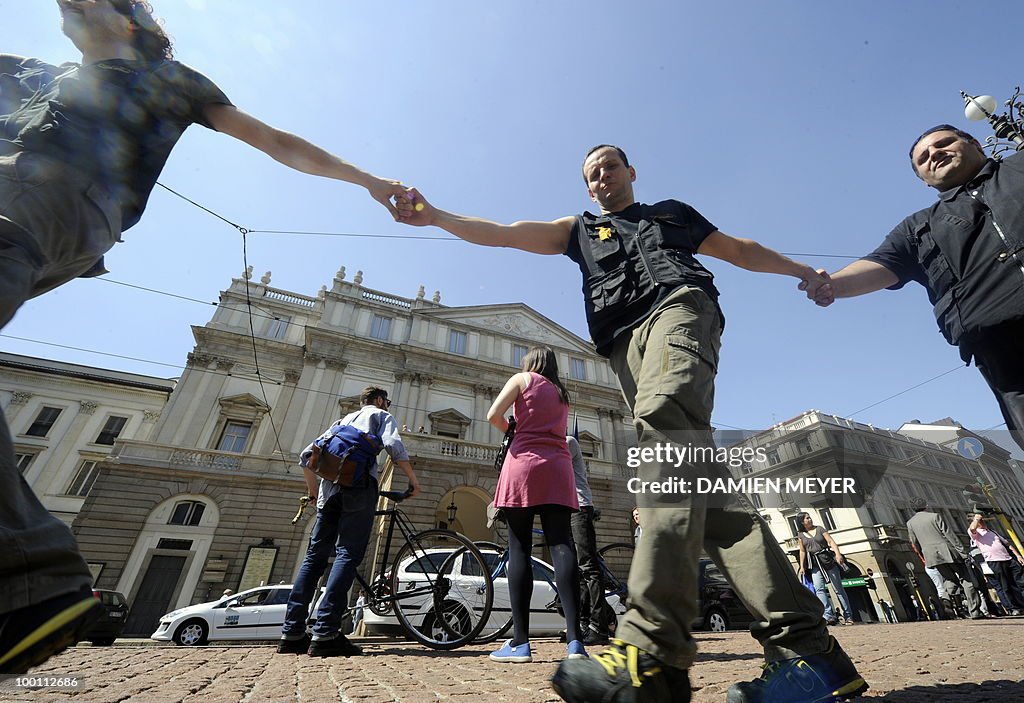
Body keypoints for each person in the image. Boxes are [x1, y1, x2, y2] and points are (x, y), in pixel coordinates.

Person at [0, 0, 406, 675]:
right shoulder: (28, 71)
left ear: (131, 19)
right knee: (333, 550)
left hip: (55, 203)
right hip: (25, 200)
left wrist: (368, 181)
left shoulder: (171, 81)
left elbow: (277, 140)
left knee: (319, 550)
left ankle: (35, 572)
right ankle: (30, 573)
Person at [395, 145, 864, 703]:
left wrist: (801, 270)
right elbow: (504, 231)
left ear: (630, 172)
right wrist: (437, 216)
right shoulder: (578, 231)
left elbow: (739, 249)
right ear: (588, 188)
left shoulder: (671, 213)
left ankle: (652, 652)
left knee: (663, 429)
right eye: (592, 173)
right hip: (623, 347)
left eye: (609, 166)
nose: (601, 176)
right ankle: (812, 656)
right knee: (712, 504)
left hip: (679, 307)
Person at [804, 124, 1024, 452]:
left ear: (976, 144)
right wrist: (832, 284)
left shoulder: (1018, 167)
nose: (934, 154)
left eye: (944, 144)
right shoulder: (917, 227)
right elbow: (881, 265)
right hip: (1010, 357)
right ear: (922, 178)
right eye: (923, 158)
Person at [278, 386, 421, 657]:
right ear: (379, 400)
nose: (387, 405)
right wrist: (413, 481)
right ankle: (326, 632)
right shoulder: (380, 415)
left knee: (313, 558)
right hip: (359, 488)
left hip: (328, 492)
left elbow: (306, 457)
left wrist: (311, 493)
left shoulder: (340, 422)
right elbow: (393, 446)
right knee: (347, 554)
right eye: (386, 402)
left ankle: (292, 632)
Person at [486, 347, 585, 663]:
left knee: (519, 549)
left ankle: (520, 644)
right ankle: (575, 643)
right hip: (558, 467)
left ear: (530, 363)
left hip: (524, 465)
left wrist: (514, 430)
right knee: (562, 546)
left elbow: (493, 416)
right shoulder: (561, 393)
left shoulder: (521, 379)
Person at [567, 433, 616, 645]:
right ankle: (584, 624)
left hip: (579, 507)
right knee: (578, 571)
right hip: (565, 507)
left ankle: (599, 626)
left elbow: (551, 466)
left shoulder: (568, 442)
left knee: (588, 567)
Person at [905, 497, 983, 620]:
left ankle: (946, 598)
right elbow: (949, 535)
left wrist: (925, 555)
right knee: (967, 580)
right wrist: (962, 552)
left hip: (932, 556)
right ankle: (975, 611)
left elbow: (914, 542)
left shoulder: (910, 523)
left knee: (949, 580)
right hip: (948, 552)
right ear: (926, 505)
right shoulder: (935, 516)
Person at [796, 512, 854, 626]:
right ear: (802, 522)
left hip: (828, 561)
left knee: (838, 589)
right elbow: (802, 551)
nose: (810, 519)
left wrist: (838, 554)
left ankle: (848, 616)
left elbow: (830, 541)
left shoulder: (819, 529)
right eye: (807, 518)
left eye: (809, 517)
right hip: (815, 565)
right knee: (819, 590)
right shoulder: (801, 535)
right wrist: (802, 567)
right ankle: (828, 616)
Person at [968, 513, 1024, 615]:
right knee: (1006, 586)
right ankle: (1015, 608)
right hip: (994, 561)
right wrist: (977, 518)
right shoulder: (976, 534)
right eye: (980, 521)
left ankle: (1021, 603)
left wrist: (1018, 556)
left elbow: (1007, 544)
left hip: (1008, 559)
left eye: (983, 521)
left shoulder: (992, 532)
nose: (983, 523)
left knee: (1020, 581)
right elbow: (972, 528)